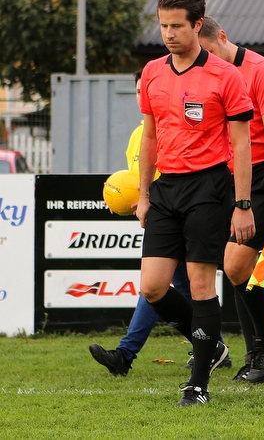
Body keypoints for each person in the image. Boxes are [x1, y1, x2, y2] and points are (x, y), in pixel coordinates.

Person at [136, 0, 255, 406]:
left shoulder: (226, 75)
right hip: (165, 188)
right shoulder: (151, 72)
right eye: (163, 26)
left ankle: (198, 384)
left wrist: (243, 205)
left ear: (197, 25)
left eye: (177, 26)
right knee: (152, 286)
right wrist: (144, 193)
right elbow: (150, 136)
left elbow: (242, 145)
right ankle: (214, 346)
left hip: (209, 186)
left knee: (203, 284)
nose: (169, 33)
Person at [89, 72, 218, 377]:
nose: (140, 97)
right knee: (181, 286)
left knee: (156, 287)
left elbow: (176, 174)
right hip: (158, 215)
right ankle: (215, 348)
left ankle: (125, 353)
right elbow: (137, 178)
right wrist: (137, 198)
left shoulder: (173, 127)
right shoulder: (139, 134)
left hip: (182, 214)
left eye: (142, 90)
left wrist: (152, 199)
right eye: (136, 91)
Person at [198, 17, 264, 384]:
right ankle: (256, 348)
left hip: (261, 177)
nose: (204, 61)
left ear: (222, 37)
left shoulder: (261, 70)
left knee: (236, 266)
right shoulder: (203, 71)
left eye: (207, 52)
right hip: (220, 177)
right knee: (230, 268)